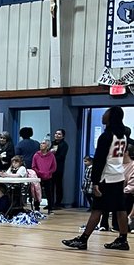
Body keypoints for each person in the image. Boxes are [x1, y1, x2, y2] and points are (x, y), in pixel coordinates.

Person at [62, 107, 130, 251]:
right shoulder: (123, 135)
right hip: (118, 176)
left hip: (106, 178)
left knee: (97, 210)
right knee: (120, 209)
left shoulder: (106, 136)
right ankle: (123, 239)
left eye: (106, 113)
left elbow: (99, 160)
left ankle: (83, 239)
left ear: (111, 117)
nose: (103, 115)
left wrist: (95, 182)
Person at [31, 138, 56, 211]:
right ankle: (36, 207)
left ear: (47, 146)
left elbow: (54, 167)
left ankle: (50, 208)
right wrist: (39, 172)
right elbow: (33, 166)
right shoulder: (36, 155)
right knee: (37, 192)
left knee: (49, 193)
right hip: (38, 177)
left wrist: (48, 173)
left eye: (43, 143)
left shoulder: (51, 156)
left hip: (48, 177)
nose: (41, 145)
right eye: (41, 143)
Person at [51, 128, 69, 207]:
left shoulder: (64, 145)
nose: (57, 135)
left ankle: (58, 203)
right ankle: (50, 203)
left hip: (58, 167)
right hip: (50, 167)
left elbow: (61, 156)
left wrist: (53, 155)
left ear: (63, 136)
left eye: (59, 134)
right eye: (56, 133)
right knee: (50, 185)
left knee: (58, 185)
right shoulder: (52, 143)